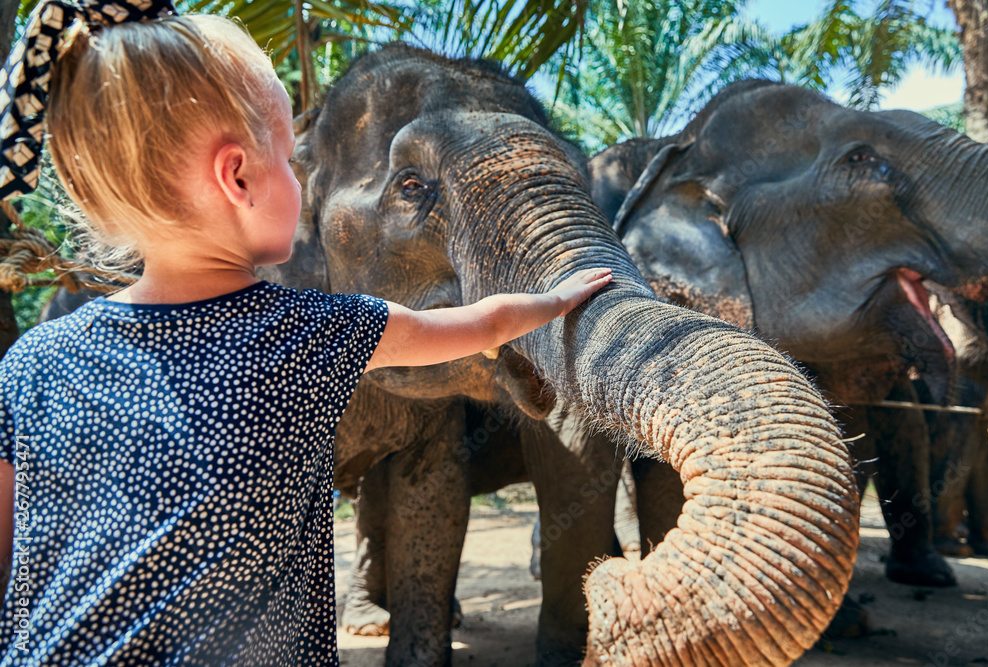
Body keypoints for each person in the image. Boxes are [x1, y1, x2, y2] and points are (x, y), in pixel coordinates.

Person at [0, 2, 613, 665]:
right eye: (292, 161)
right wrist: (557, 296)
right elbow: (475, 325)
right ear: (237, 177)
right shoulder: (312, 333)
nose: (301, 184)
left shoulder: (31, 361)